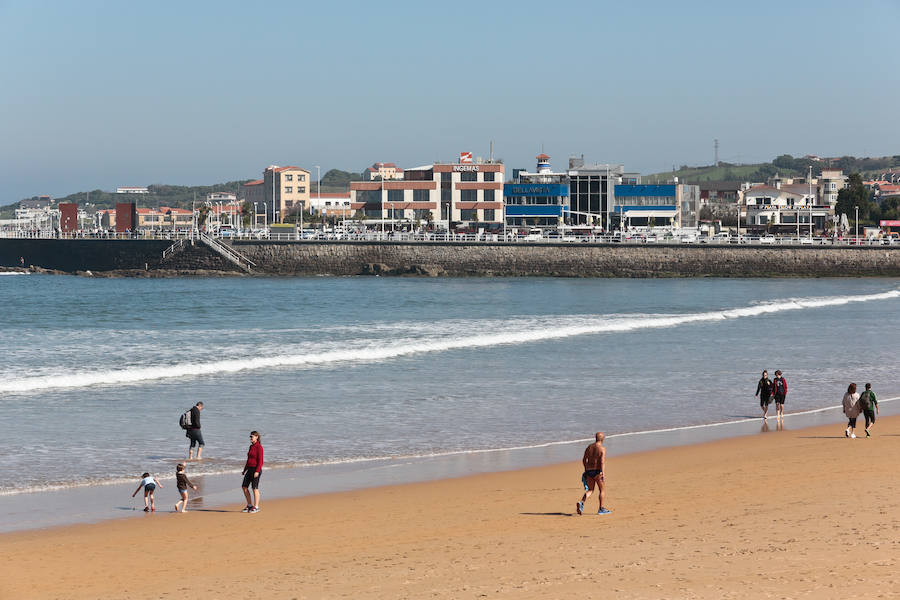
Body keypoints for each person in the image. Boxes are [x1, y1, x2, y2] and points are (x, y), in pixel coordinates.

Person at [576, 432, 610, 515]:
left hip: (589, 471)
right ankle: (601, 509)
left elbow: (584, 459)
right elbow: (602, 462)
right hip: (598, 471)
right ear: (602, 439)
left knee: (590, 490)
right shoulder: (602, 449)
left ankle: (582, 502)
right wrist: (603, 473)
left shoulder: (589, 447)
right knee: (602, 490)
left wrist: (586, 469)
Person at [241, 431, 264, 513]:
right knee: (244, 487)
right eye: (250, 436)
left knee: (255, 488)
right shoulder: (251, 447)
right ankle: (249, 505)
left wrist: (257, 471)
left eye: (252, 436)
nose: (250, 438)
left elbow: (261, 461)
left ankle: (256, 507)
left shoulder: (259, 447)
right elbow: (248, 460)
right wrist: (244, 470)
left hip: (256, 470)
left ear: (256, 437)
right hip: (249, 469)